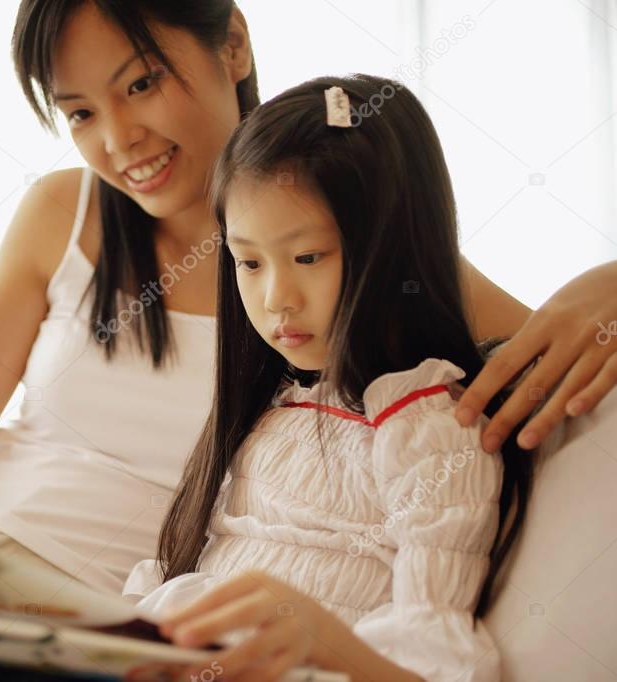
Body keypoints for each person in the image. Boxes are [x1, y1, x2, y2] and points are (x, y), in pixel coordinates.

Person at [0, 2, 615, 680]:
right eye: (79, 109)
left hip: (63, 612)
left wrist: (599, 286)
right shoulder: (63, 212)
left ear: (233, 45)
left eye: (140, 83)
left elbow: (519, 335)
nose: (117, 139)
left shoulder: (334, 249)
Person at [123, 74, 527, 682]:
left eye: (308, 257)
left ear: (397, 249)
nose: (276, 297)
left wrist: (320, 639)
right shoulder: (267, 409)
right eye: (249, 262)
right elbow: (161, 587)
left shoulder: (431, 430)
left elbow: (432, 657)